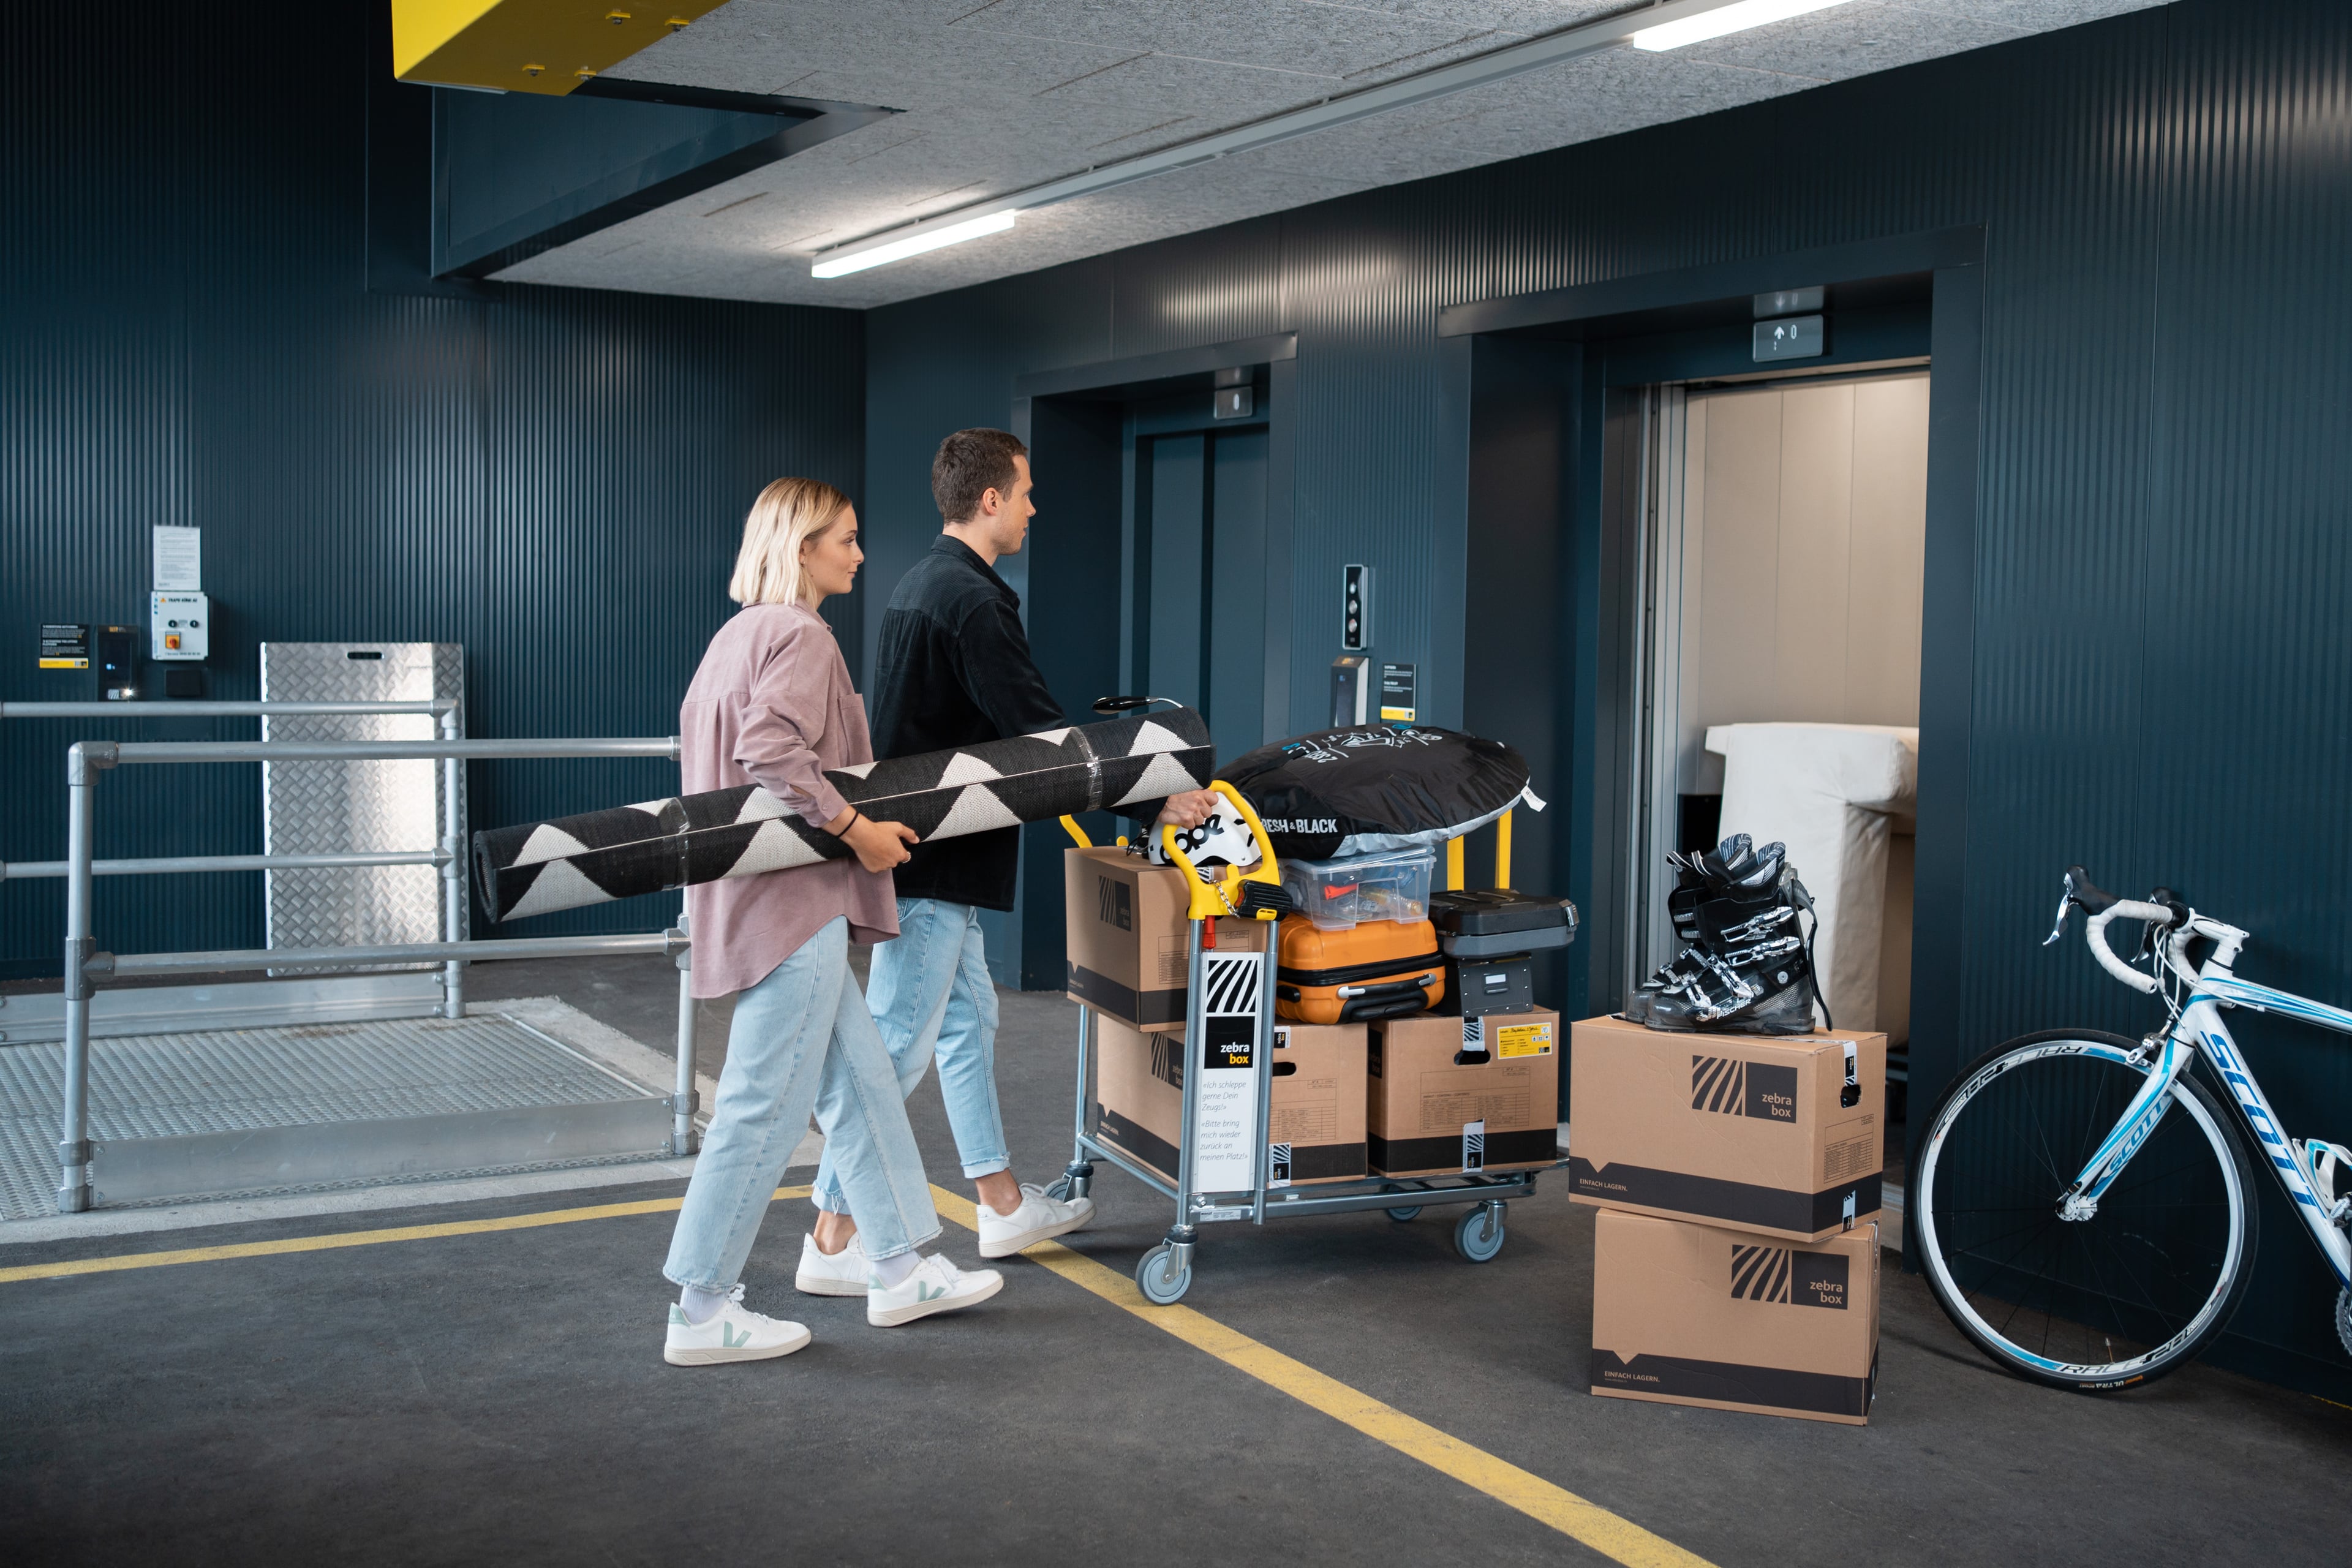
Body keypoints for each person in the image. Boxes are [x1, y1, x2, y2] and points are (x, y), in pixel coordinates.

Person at [796, 429, 1217, 1289]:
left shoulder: (924, 583)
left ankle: (998, 1200)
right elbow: (1038, 734)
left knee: (967, 1023)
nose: (1032, 507)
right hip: (935, 863)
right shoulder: (974, 601)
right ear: (990, 500)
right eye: (1025, 492)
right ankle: (833, 1236)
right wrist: (1150, 794)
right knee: (896, 1048)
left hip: (934, 857)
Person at [662, 477, 1004, 1366]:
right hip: (792, 908)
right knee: (761, 1107)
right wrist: (857, 829)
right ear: (804, 547)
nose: (859, 554)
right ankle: (702, 1310)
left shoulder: (734, 638)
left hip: (753, 904)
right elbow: (769, 749)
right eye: (846, 539)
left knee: (860, 1086)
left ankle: (898, 1267)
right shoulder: (803, 636)